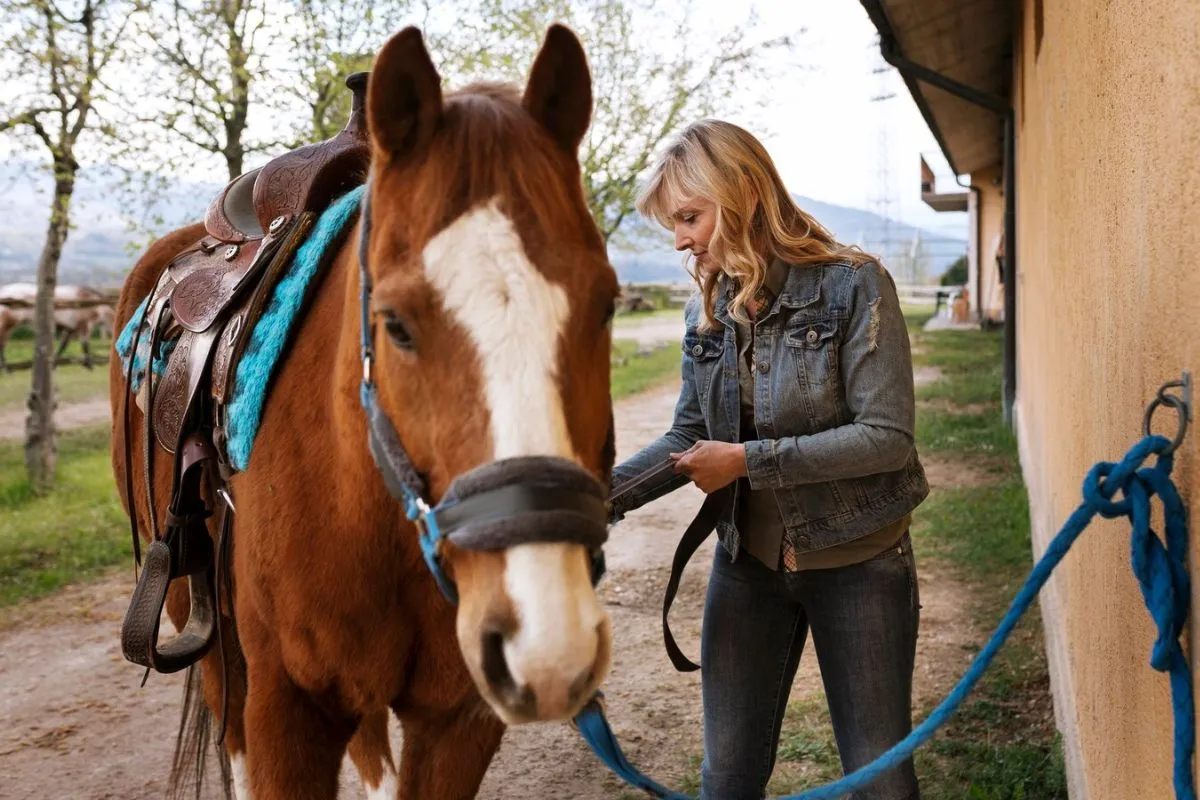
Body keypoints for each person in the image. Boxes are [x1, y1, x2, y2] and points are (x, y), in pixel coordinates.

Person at [609, 119, 929, 800]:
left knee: (881, 780)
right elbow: (687, 437)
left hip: (860, 566)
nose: (680, 240)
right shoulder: (714, 304)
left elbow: (887, 436)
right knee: (725, 781)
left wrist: (750, 462)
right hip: (745, 570)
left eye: (690, 217)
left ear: (744, 193)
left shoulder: (855, 287)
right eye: (674, 224)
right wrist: (595, 500)